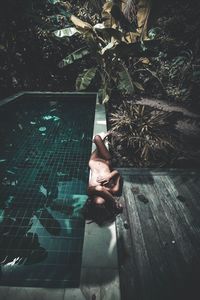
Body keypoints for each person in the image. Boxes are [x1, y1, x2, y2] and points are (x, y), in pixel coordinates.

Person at [83, 133, 123, 225]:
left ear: (92, 203)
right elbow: (118, 173)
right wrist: (109, 176)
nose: (99, 203)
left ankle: (102, 140)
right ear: (106, 203)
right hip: (106, 160)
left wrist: (114, 202)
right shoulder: (114, 190)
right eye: (102, 205)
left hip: (94, 160)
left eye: (97, 205)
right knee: (97, 138)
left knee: (97, 138)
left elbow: (99, 189)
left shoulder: (90, 191)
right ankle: (102, 140)